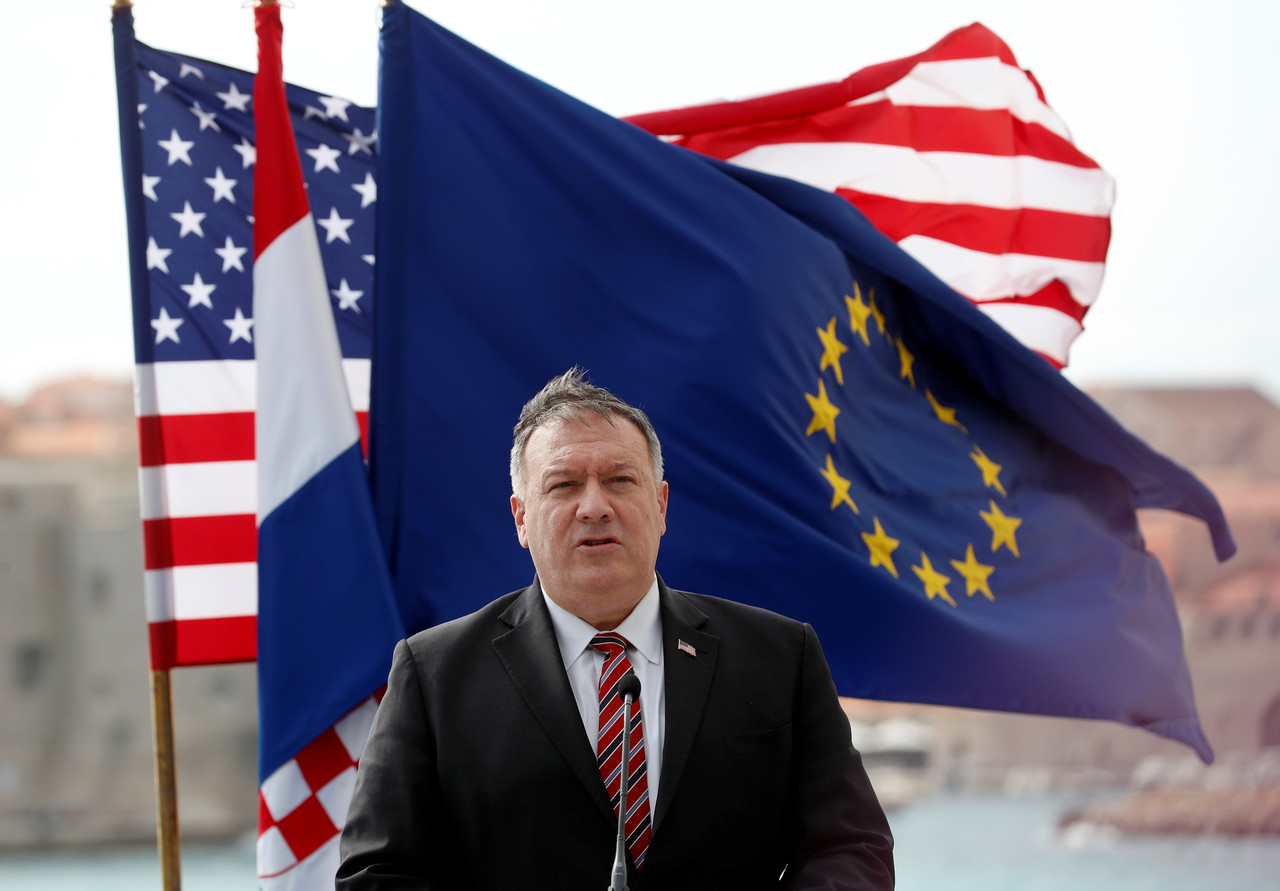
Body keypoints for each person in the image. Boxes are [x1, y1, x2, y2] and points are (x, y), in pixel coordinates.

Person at [337, 368, 894, 889]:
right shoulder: (434, 675)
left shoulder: (780, 656)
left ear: (661, 505)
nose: (594, 507)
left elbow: (851, 845)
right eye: (563, 485)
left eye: (619, 480)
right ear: (521, 518)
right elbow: (379, 872)